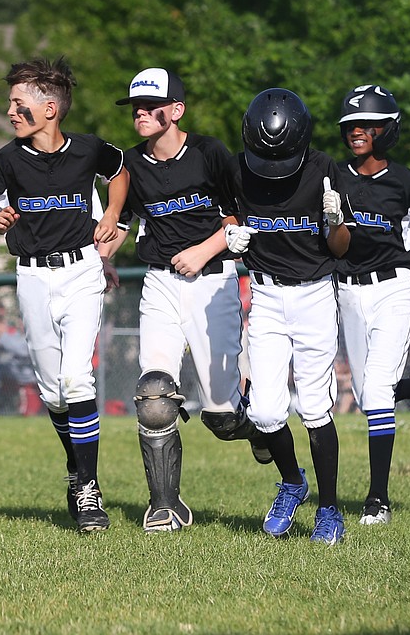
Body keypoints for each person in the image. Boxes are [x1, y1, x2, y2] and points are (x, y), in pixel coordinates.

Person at [0, 56, 128, 533]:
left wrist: (112, 215)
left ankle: (89, 490)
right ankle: (77, 468)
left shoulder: (89, 149)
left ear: (49, 108)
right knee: (53, 392)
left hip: (81, 274)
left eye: (19, 102)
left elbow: (120, 173)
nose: (10, 110)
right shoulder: (7, 160)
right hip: (32, 278)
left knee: (77, 380)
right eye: (10, 102)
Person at [98, 67, 268, 533]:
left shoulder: (211, 154)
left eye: (151, 106)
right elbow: (126, 223)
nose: (140, 114)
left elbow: (240, 223)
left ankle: (259, 428)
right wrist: (105, 256)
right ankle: (165, 507)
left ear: (176, 110)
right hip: (160, 285)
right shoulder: (130, 163)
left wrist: (204, 250)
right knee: (154, 395)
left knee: (220, 415)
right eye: (135, 108)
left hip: (214, 282)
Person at [224, 87, 351, 545]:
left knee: (315, 407)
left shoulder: (323, 170)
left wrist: (335, 224)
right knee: (264, 411)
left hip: (315, 295)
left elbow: (341, 247)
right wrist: (231, 234)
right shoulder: (239, 170)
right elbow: (228, 216)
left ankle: (330, 510)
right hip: (266, 296)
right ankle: (293, 483)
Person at [332, 84, 410, 526]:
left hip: (394, 288)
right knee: (369, 397)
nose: (357, 131)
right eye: (351, 125)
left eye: (367, 125)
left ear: (387, 130)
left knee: (377, 390)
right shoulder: (335, 177)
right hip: (347, 289)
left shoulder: (404, 180)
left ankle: (377, 500)